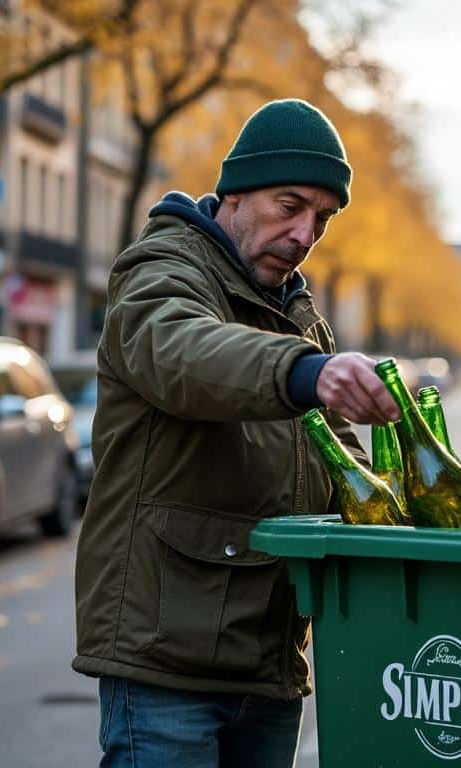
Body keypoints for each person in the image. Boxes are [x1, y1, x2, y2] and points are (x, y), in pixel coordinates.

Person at [73, 98, 401, 767]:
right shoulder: (161, 270)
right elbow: (183, 353)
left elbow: (342, 465)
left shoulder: (298, 310)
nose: (305, 233)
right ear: (235, 194)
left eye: (322, 218)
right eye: (290, 205)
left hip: (272, 665)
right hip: (169, 667)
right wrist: (307, 373)